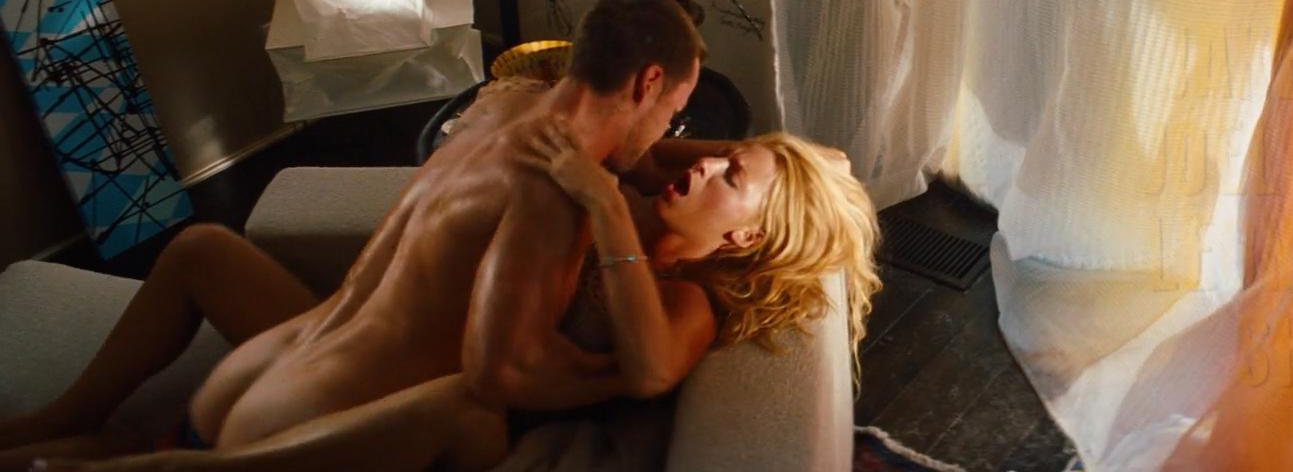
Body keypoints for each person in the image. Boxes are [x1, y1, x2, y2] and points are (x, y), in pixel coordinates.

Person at [0, 0, 706, 468]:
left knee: (201, 246)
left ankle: (68, 420)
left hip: (267, 370)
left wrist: (756, 155)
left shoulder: (505, 103)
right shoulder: (559, 192)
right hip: (287, 431)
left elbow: (638, 154)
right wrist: (615, 376)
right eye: (673, 112)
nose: (667, 132)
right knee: (470, 411)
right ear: (646, 83)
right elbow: (506, 372)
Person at [35, 123, 880, 472]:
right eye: (723, 157)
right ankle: (71, 416)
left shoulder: (689, 296)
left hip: (460, 415)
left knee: (456, 403)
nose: (705, 165)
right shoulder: (657, 199)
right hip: (400, 346)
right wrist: (768, 160)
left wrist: (602, 207)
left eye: (729, 177)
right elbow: (810, 160)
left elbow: (655, 370)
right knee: (203, 249)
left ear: (741, 239)